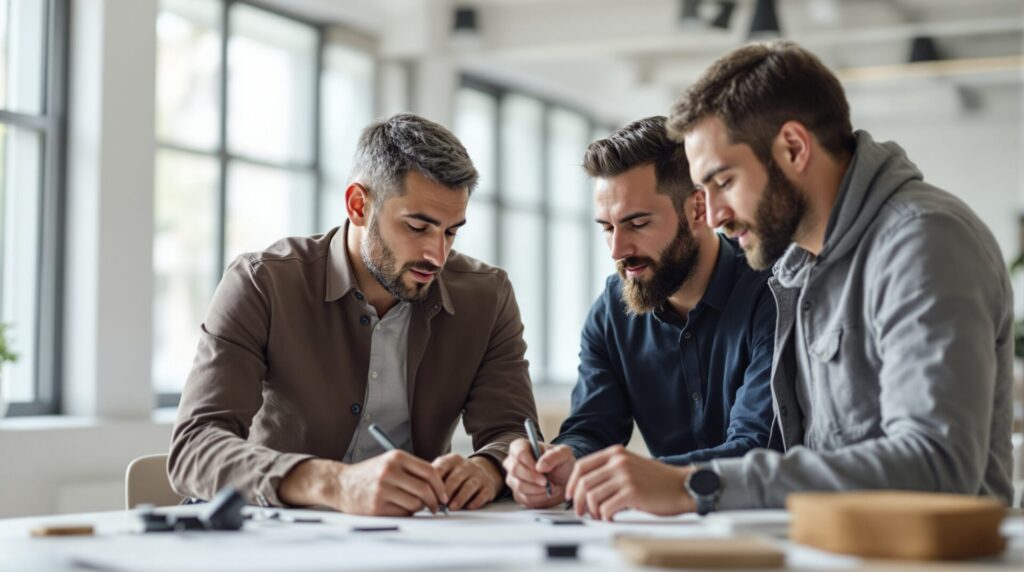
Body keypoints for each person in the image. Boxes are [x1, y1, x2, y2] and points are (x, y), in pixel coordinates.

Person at [566, 40, 1014, 518]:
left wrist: (694, 484)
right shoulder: (797, 268)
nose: (713, 214)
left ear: (794, 148)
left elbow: (939, 467)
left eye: (724, 181)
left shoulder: (923, 242)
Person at [169, 113, 539, 516]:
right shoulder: (262, 283)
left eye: (451, 231)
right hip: (278, 535)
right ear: (358, 204)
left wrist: (486, 469)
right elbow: (194, 446)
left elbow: (513, 435)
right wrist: (336, 484)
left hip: (415, 538)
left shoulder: (488, 296)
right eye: (418, 227)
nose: (438, 254)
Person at [503, 116, 777, 517]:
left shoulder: (771, 294)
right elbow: (593, 428)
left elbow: (756, 446)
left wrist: (641, 475)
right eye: (607, 227)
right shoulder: (610, 314)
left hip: (767, 522)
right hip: (667, 530)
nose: (617, 250)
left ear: (698, 209)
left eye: (638, 223)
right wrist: (565, 461)